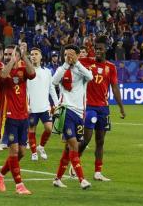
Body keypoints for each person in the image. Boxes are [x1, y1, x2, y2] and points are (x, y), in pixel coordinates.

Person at [75, 36, 126, 181]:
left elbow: (115, 88)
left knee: (100, 141)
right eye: (96, 48)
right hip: (89, 106)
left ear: (105, 50)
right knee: (86, 139)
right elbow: (71, 61)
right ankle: (75, 163)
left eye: (100, 49)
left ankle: (98, 172)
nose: (97, 51)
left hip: (104, 108)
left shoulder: (111, 67)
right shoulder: (86, 62)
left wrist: (121, 107)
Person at [0, 45, 36, 195]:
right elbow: (3, 76)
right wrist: (12, 61)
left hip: (23, 116)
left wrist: (24, 57)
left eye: (10, 54)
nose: (7, 56)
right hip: (8, 116)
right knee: (14, 150)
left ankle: (0, 174)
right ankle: (19, 185)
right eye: (6, 54)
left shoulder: (22, 70)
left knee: (22, 152)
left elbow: (33, 73)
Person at [52, 44, 93, 189]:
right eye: (66, 55)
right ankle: (82, 180)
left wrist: (77, 63)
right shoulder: (61, 69)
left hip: (79, 113)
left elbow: (90, 76)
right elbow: (54, 81)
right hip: (65, 111)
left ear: (77, 55)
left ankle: (57, 179)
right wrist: (65, 65)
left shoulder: (81, 70)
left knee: (69, 149)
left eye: (71, 55)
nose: (68, 57)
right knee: (74, 145)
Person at [27, 47, 59, 161]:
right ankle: (34, 152)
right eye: (31, 54)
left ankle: (41, 147)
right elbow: (24, 90)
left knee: (49, 129)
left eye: (36, 54)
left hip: (45, 106)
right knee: (32, 130)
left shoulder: (47, 71)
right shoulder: (27, 71)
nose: (33, 56)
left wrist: (57, 103)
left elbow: (51, 89)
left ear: (41, 56)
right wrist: (26, 104)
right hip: (32, 107)